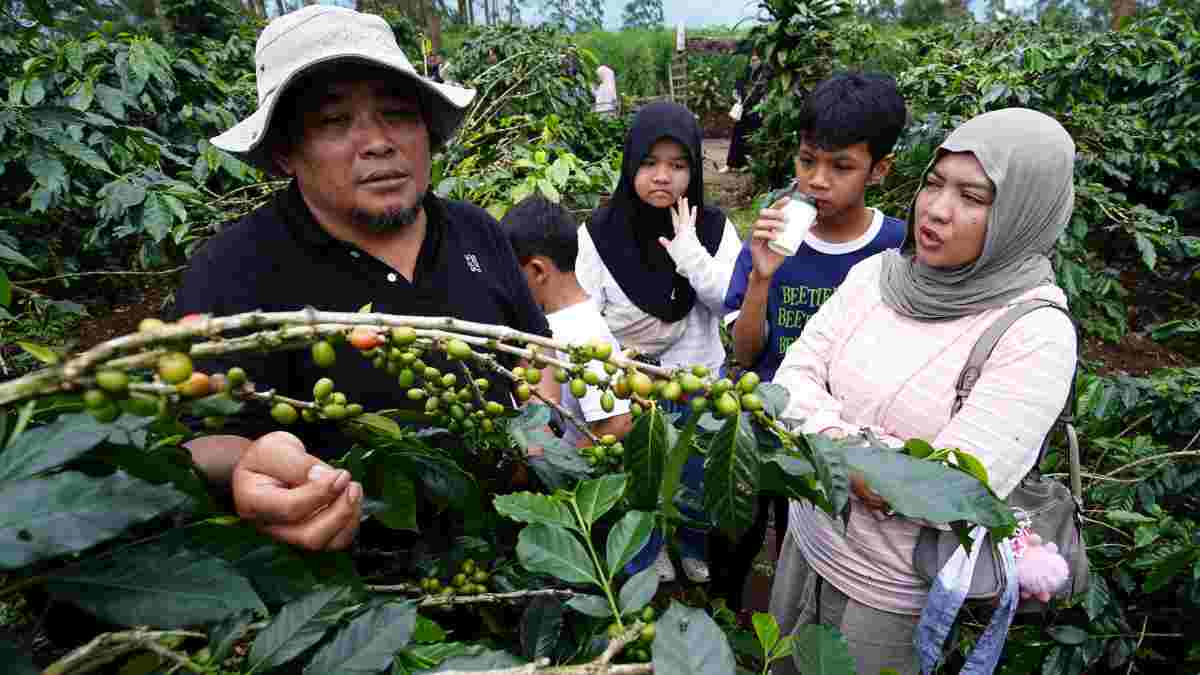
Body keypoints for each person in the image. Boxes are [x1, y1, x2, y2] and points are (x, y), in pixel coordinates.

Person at [173, 6, 559, 552]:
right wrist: (246, 465)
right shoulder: (234, 269)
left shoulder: (477, 231)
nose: (377, 142)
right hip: (355, 592)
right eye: (334, 122)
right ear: (286, 152)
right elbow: (194, 443)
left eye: (398, 114)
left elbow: (533, 349)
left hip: (512, 548)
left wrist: (538, 435)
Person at [767, 108, 1078, 675]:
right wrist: (865, 461)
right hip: (808, 541)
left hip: (891, 594)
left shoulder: (1035, 333)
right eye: (934, 184)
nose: (936, 209)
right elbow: (789, 384)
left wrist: (827, 443)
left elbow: (952, 485)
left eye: (973, 197)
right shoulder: (877, 276)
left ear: (1023, 213)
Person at [714, 72, 908, 612]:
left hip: (843, 439)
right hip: (769, 426)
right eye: (807, 161)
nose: (817, 181)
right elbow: (747, 355)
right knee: (748, 532)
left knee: (822, 544)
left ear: (880, 170)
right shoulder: (776, 238)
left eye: (841, 166)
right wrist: (761, 276)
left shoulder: (896, 249)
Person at [577, 101, 742, 582]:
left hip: (696, 379)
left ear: (693, 169)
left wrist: (691, 255)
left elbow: (726, 302)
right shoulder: (601, 233)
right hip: (630, 385)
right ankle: (648, 552)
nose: (662, 177)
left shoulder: (712, 228)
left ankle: (691, 544)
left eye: (677, 165)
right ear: (631, 164)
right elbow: (585, 315)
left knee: (693, 468)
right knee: (640, 473)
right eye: (649, 163)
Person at [499, 196, 633, 448]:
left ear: (538, 271)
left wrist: (566, 467)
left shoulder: (586, 331)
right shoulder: (548, 322)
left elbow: (617, 421)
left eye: (510, 274)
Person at [720, 49, 771, 174]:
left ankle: (747, 165)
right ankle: (730, 164)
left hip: (755, 111)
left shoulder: (765, 73)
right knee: (737, 135)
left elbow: (767, 91)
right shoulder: (746, 72)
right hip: (743, 109)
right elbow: (738, 86)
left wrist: (763, 104)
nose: (753, 62)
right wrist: (737, 95)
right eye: (751, 60)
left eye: (755, 60)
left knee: (752, 137)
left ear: (760, 60)